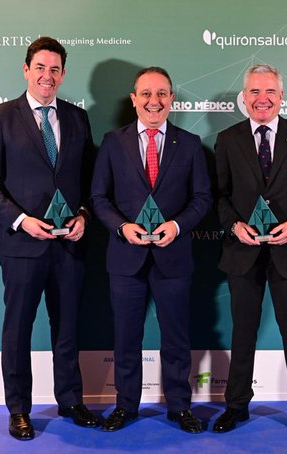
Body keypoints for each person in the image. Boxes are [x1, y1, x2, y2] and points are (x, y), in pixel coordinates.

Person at [0, 36, 97, 440]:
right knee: (18, 328)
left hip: (69, 244)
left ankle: (71, 400)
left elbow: (90, 180)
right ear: (26, 70)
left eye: (55, 69)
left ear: (63, 74)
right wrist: (21, 220)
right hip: (21, 245)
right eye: (40, 67)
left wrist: (84, 215)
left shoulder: (78, 118)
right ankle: (19, 410)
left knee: (68, 326)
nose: (47, 76)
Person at [90, 67, 212, 433]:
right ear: (133, 99)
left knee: (176, 337)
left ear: (171, 99)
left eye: (161, 93)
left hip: (173, 257)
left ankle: (179, 407)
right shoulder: (113, 142)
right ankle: (126, 406)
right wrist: (122, 227)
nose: (153, 101)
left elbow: (202, 198)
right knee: (126, 337)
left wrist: (176, 226)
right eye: (146, 93)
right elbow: (99, 198)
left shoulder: (190, 144)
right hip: (125, 257)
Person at [212, 64, 287, 437]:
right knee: (243, 332)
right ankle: (236, 405)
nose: (262, 99)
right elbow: (219, 196)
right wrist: (235, 225)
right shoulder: (227, 139)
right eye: (254, 92)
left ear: (281, 97)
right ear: (244, 97)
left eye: (269, 92)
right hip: (242, 252)